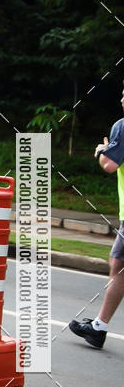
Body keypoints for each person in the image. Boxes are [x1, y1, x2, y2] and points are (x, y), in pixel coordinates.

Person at [69, 91, 124, 348]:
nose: (122, 100)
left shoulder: (122, 126)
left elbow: (110, 164)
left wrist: (102, 151)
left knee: (119, 266)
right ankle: (98, 328)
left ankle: (98, 329)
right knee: (118, 265)